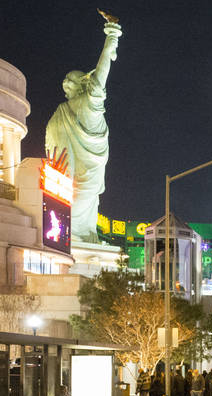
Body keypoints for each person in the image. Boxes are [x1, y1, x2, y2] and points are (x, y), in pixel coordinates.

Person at [45, 17, 122, 243]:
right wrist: (110, 42)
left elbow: (99, 80)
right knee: (78, 199)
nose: (66, 84)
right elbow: (99, 80)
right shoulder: (74, 108)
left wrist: (110, 42)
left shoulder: (81, 106)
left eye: (70, 82)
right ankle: (75, 233)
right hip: (79, 172)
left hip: (84, 171)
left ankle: (77, 233)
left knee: (83, 200)